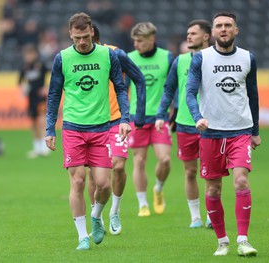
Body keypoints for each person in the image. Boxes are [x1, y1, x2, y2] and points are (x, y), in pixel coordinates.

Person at [45, 12, 131, 250]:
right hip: (73, 128)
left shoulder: (107, 55)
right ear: (70, 34)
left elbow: (120, 88)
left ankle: (97, 214)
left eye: (85, 36)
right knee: (79, 181)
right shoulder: (62, 58)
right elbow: (53, 94)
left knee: (103, 185)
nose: (81, 42)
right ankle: (82, 235)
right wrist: (50, 127)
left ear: (92, 31)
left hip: (102, 127)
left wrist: (124, 118)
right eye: (77, 37)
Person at [186, 11, 261, 257]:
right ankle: (222, 241)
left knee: (241, 180)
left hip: (240, 130)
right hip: (211, 133)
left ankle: (243, 240)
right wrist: (198, 117)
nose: (224, 29)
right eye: (219, 25)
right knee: (213, 190)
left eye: (228, 25)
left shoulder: (248, 58)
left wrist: (255, 131)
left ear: (236, 30)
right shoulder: (201, 58)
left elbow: (253, 96)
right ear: (214, 32)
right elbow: (190, 93)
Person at [87, 24, 146, 235]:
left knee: (118, 166)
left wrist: (137, 114)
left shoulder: (115, 54)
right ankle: (97, 214)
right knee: (94, 177)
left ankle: (115, 210)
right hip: (91, 124)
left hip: (117, 120)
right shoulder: (76, 59)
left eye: (85, 38)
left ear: (93, 36)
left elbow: (139, 79)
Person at [156, 20, 212, 228]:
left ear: (206, 36)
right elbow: (169, 89)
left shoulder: (216, 60)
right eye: (187, 33)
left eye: (193, 34)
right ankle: (195, 216)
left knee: (210, 173)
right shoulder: (179, 61)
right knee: (190, 171)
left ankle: (211, 215)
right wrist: (162, 114)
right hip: (185, 125)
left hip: (210, 125)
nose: (188, 37)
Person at [127, 22, 174, 217]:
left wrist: (173, 114)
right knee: (139, 160)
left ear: (151, 39)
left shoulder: (167, 57)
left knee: (164, 159)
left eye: (140, 41)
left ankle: (158, 188)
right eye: (134, 41)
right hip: (136, 118)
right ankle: (142, 203)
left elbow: (174, 87)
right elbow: (123, 89)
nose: (136, 45)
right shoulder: (129, 58)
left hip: (160, 118)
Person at [18, 43, 50, 158]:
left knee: (42, 121)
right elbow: (20, 81)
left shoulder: (41, 65)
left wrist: (47, 87)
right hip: (30, 98)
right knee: (33, 123)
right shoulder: (24, 67)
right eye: (27, 54)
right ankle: (36, 148)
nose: (28, 57)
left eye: (30, 54)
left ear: (35, 54)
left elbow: (53, 74)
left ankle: (45, 147)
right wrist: (23, 90)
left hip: (40, 97)